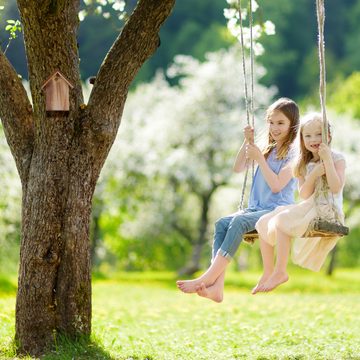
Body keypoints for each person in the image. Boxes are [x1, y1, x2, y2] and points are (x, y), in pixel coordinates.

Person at [176, 97, 300, 302]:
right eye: (271, 122)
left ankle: (209, 276)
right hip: (256, 208)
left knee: (239, 222)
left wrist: (260, 159)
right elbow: (239, 167)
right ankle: (217, 287)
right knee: (222, 223)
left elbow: (277, 185)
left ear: (292, 125)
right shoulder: (268, 148)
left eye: (281, 123)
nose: (274, 127)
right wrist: (247, 142)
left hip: (278, 209)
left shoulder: (295, 154)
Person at [252, 112, 346, 294]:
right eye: (308, 135)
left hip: (327, 210)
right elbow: (304, 194)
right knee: (264, 221)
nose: (313, 139)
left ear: (328, 135)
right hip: (308, 206)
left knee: (281, 221)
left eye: (318, 134)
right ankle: (268, 272)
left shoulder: (337, 159)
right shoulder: (303, 163)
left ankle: (280, 272)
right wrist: (313, 175)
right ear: (302, 139)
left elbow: (335, 188)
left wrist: (327, 161)